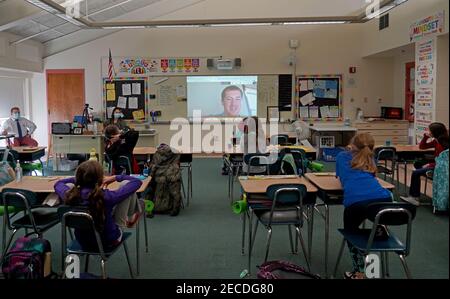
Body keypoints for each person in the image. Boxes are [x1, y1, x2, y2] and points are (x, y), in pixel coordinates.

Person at [336, 133, 393, 279]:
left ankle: (360, 272)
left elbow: (342, 180)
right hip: (384, 199)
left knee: (351, 232)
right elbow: (372, 176)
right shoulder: (370, 158)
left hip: (357, 202)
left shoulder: (342, 157)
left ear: (352, 144)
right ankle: (380, 228)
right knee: (378, 208)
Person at [54, 160, 142, 249]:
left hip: (83, 242)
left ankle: (131, 216)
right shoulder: (107, 196)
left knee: (69, 186)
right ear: (100, 179)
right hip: (109, 241)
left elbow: (58, 183)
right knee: (126, 191)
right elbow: (137, 182)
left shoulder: (69, 195)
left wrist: (78, 180)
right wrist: (115, 177)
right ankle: (132, 216)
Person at [400, 122, 449, 206]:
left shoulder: (442, 143)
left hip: (442, 168)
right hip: (437, 164)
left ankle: (414, 197)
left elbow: (443, 161)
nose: (428, 131)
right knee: (418, 164)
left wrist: (430, 165)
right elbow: (422, 146)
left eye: (429, 130)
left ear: (434, 132)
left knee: (416, 173)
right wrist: (425, 137)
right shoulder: (436, 141)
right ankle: (415, 192)